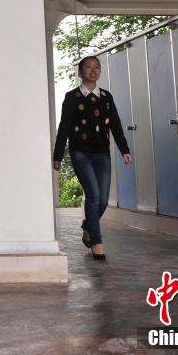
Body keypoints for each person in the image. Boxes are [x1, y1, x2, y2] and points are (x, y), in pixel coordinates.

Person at [52, 56, 131, 261]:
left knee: (103, 199)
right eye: (88, 67)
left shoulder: (106, 97)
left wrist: (124, 149)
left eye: (97, 67)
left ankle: (88, 226)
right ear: (81, 72)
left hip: (102, 152)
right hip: (80, 152)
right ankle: (96, 241)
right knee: (94, 195)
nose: (93, 71)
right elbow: (64, 127)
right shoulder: (72, 97)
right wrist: (58, 155)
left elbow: (115, 125)